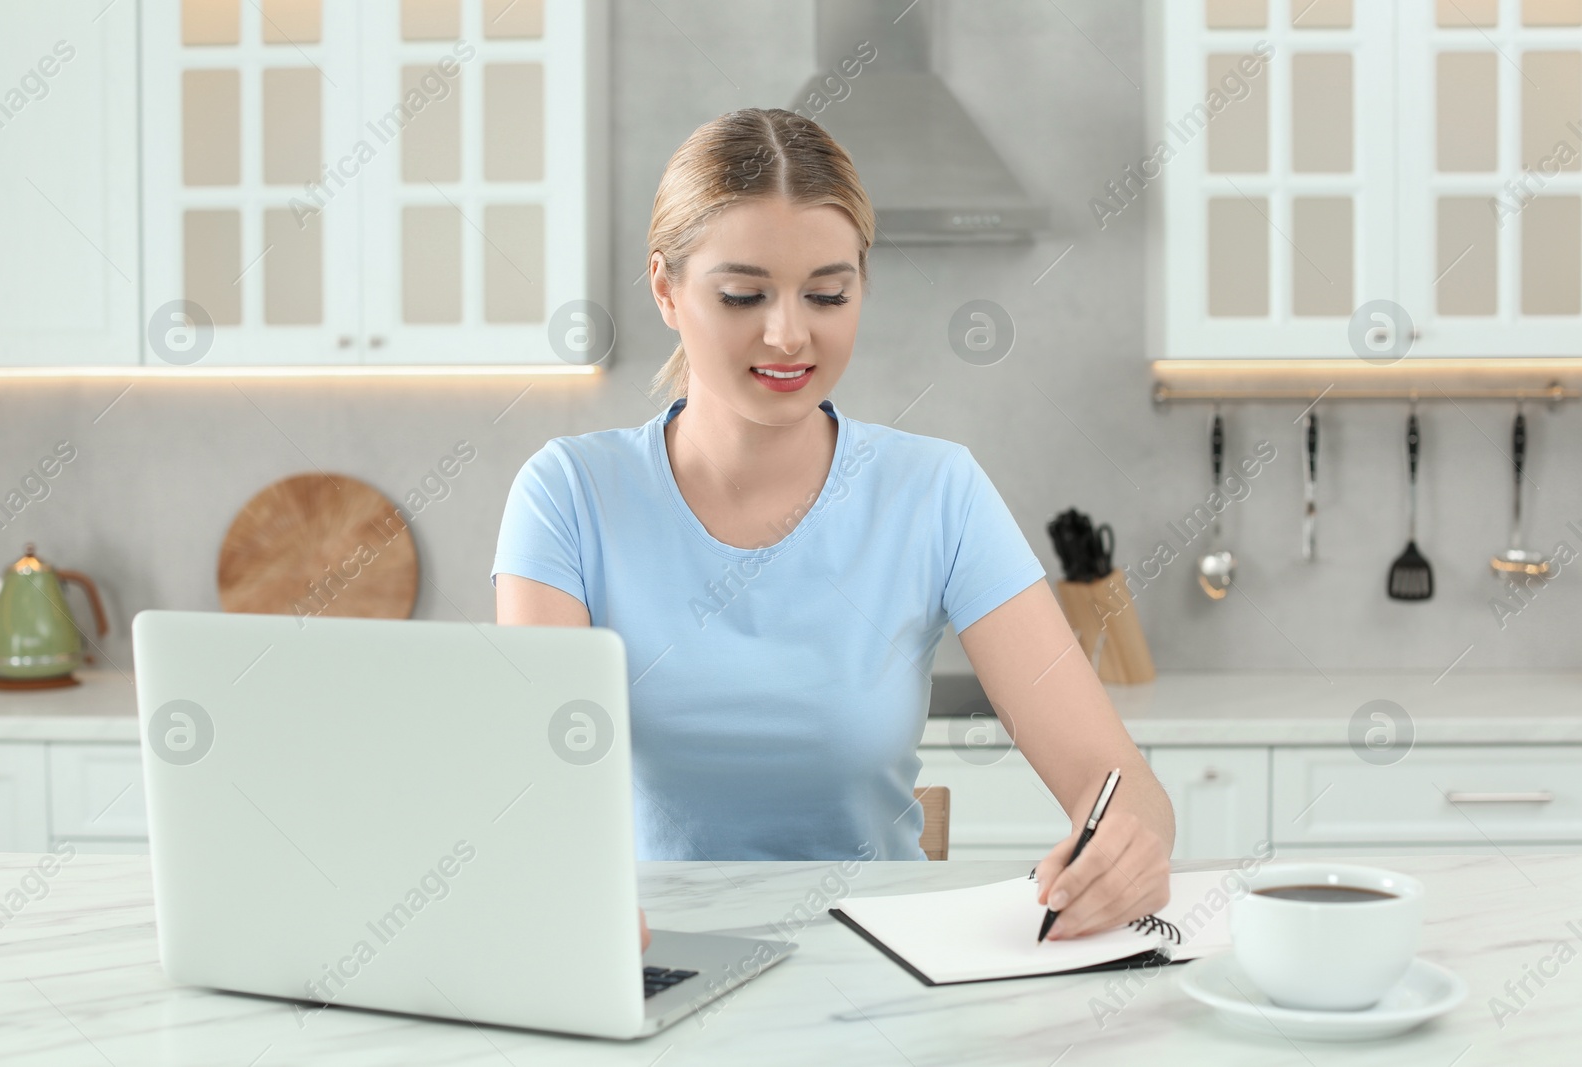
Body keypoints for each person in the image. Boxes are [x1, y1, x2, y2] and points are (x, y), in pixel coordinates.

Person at [493, 109, 1173, 954]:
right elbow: (539, 792)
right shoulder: (568, 496)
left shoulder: (938, 492)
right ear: (665, 288)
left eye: (827, 293)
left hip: (876, 974)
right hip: (643, 963)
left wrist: (1130, 847)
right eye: (743, 294)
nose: (789, 334)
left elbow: (1119, 784)